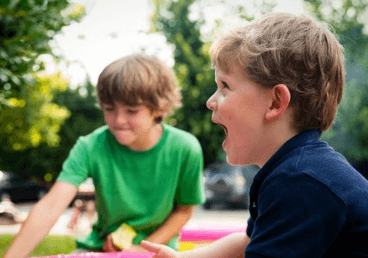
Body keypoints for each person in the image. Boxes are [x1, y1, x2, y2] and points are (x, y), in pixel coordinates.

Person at [140, 12, 368, 258]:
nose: (210, 102)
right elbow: (247, 242)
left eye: (225, 87)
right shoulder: (298, 170)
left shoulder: (300, 182)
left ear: (275, 102)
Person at [3, 54, 205, 258]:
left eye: (132, 111)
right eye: (109, 109)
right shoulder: (90, 146)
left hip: (158, 251)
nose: (118, 120)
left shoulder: (185, 148)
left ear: (159, 108)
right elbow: (50, 207)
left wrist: (142, 248)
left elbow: (184, 210)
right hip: (99, 249)